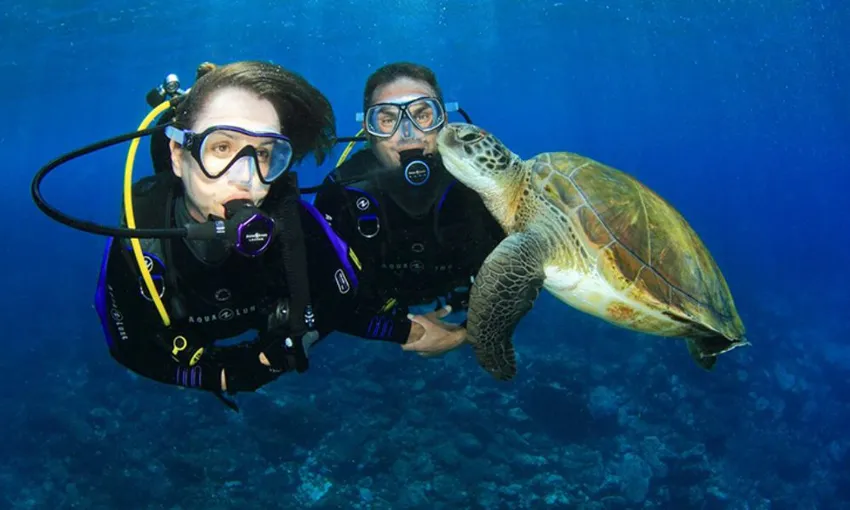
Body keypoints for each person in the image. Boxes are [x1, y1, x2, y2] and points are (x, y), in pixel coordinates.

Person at [90, 61, 448, 408]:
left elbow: (342, 302)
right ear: (178, 155)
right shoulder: (142, 238)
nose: (245, 177)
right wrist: (221, 375)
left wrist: (405, 331)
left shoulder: (295, 223)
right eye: (221, 147)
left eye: (263, 153)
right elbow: (128, 348)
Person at [313, 62, 505, 358]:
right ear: (368, 130)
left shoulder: (485, 184)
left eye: (423, 115)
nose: (408, 134)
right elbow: (322, 297)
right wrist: (403, 331)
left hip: (461, 295)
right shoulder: (342, 195)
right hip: (381, 302)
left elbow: (521, 273)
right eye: (387, 119)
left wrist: (464, 333)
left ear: (443, 120)